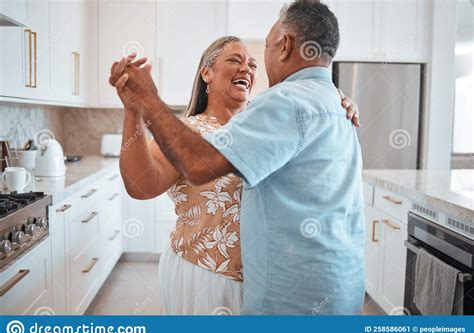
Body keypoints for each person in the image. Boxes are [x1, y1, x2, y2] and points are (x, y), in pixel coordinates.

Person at [111, 0, 364, 315]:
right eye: (235, 60)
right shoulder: (186, 134)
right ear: (207, 72)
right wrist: (134, 111)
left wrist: (335, 98)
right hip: (205, 276)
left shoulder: (272, 115)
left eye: (253, 63)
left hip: (266, 287)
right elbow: (140, 185)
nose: (248, 68)